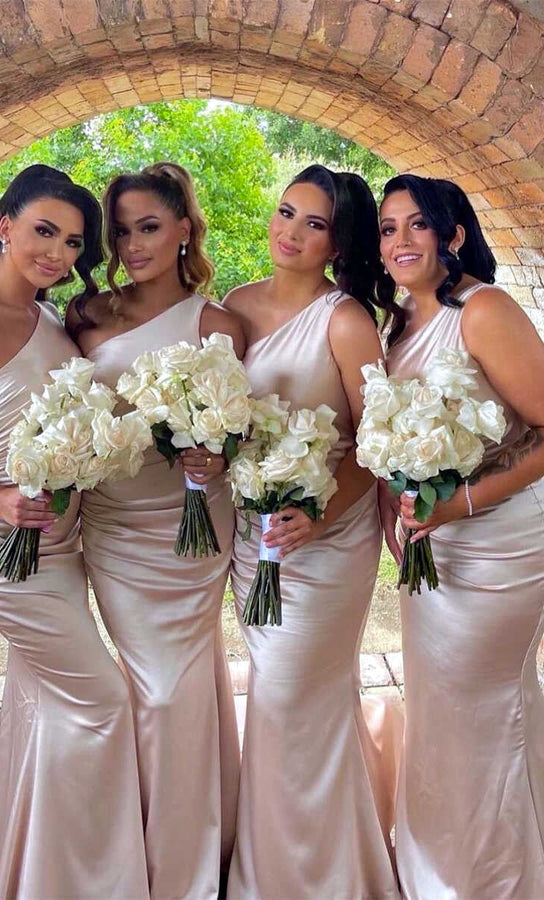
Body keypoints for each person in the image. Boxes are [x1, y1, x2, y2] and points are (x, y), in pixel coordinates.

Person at [0, 165, 148, 899]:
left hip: (60, 546)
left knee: (50, 701)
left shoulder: (50, 317)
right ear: (5, 226)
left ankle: (40, 878)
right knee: (102, 703)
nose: (58, 253)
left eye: (72, 242)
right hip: (3, 547)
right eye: (43, 232)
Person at [225, 164, 402, 900]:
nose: (290, 232)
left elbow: (376, 443)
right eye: (285, 212)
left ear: (337, 242)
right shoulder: (234, 305)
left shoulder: (345, 320)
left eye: (314, 223)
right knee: (280, 697)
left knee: (294, 696)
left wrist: (319, 511)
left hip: (326, 540)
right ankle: (291, 861)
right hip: (254, 536)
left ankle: (309, 879)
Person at [66, 162, 243, 900]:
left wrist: (216, 456)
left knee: (177, 690)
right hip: (115, 525)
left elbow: (238, 432)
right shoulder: (87, 315)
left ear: (183, 230)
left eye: (148, 227)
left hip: (192, 528)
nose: (133, 245)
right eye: (122, 231)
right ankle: (130, 846)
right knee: (152, 691)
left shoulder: (216, 324)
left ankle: (184, 864)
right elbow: (52, 397)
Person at [380, 173, 544, 899]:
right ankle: (439, 864)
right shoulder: (397, 321)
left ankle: (496, 880)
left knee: (485, 710)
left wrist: (464, 502)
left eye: (418, 224)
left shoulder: (484, 309)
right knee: (441, 709)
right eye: (388, 228)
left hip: (501, 544)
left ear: (452, 235)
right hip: (434, 544)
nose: (400, 241)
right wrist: (400, 507)